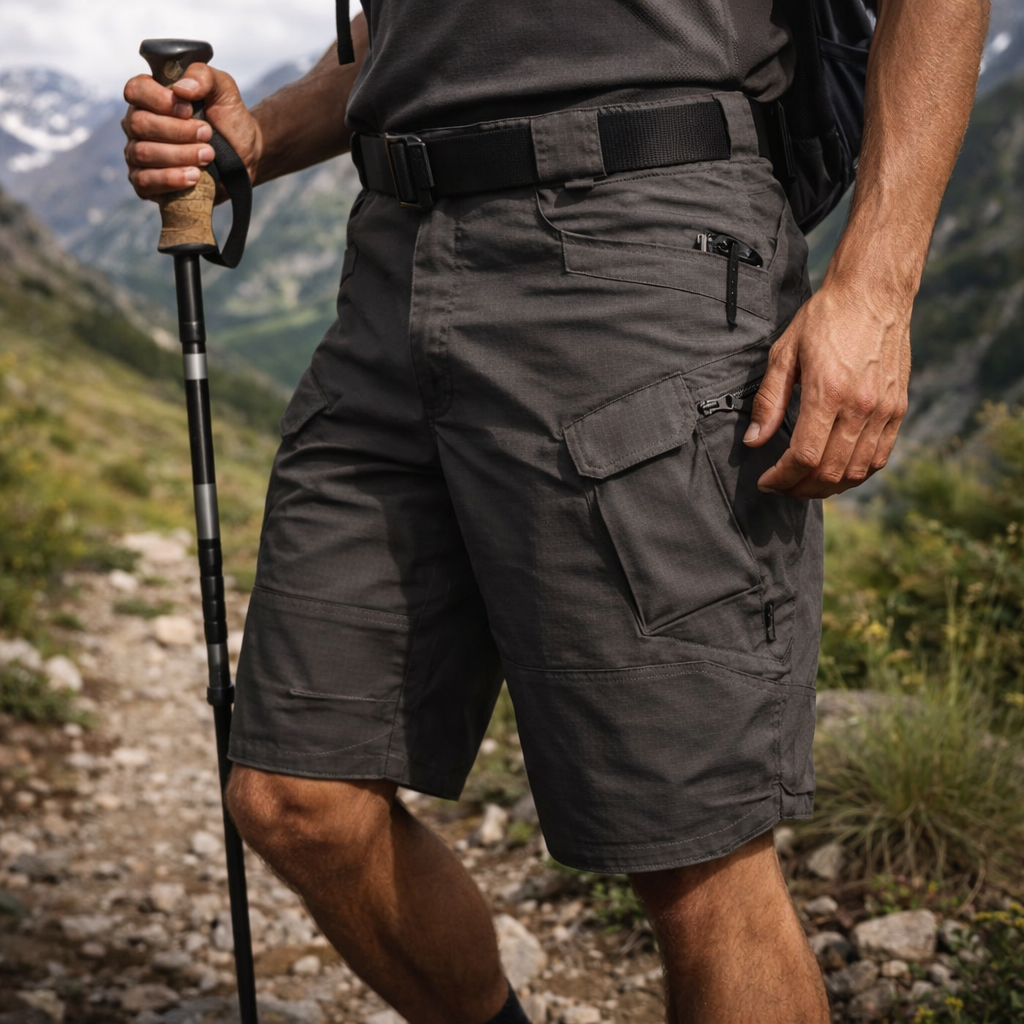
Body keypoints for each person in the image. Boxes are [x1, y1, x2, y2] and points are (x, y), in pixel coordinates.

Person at [123, 2, 988, 1021]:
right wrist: (260, 134)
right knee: (295, 796)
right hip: (394, 264)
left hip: (642, 251)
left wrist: (876, 288)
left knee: (694, 854)